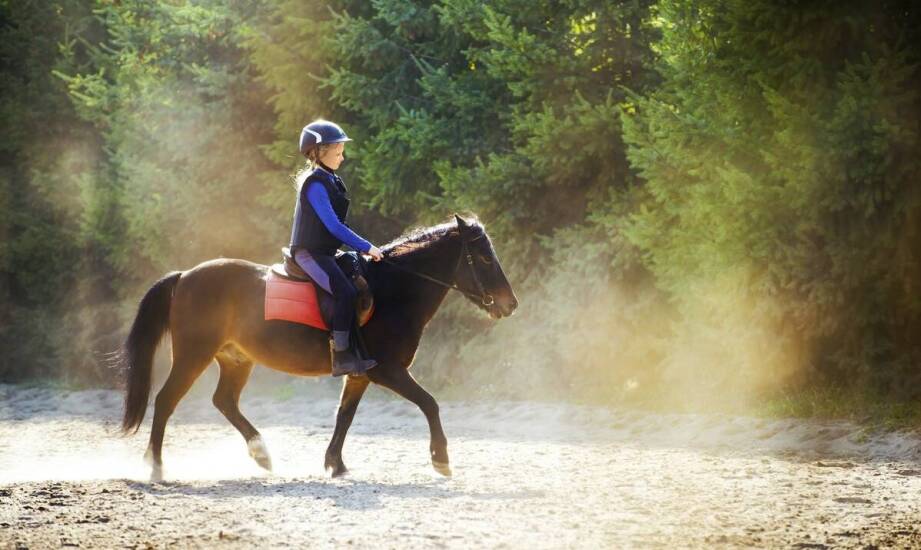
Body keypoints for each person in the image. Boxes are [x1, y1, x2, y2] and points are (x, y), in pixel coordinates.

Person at [289, 119, 383, 376]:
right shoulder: (315, 184)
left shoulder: (332, 179)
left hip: (326, 252)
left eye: (342, 152)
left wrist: (360, 250)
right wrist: (367, 246)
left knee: (358, 276)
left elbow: (338, 226)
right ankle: (341, 356)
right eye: (338, 152)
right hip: (309, 253)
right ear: (319, 153)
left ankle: (359, 349)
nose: (342, 157)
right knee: (345, 292)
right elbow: (333, 226)